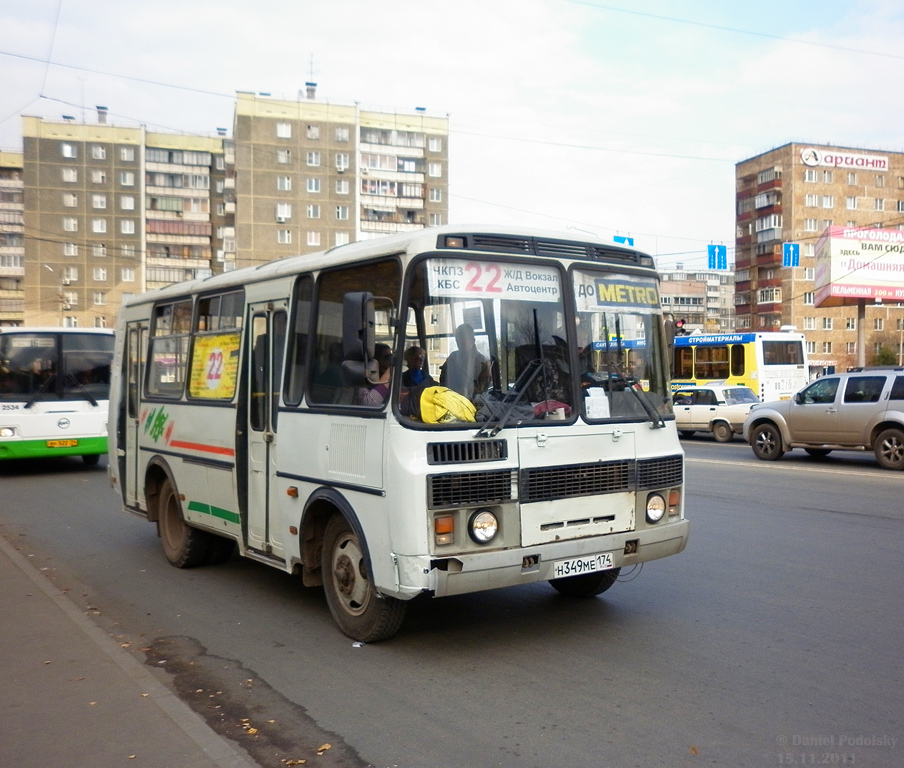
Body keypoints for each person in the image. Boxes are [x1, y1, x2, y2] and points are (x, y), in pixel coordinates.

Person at [440, 324, 490, 400]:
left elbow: (483, 388)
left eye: (462, 340)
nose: (458, 343)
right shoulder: (453, 357)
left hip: (474, 402)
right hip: (452, 400)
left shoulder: (481, 360)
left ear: (472, 340)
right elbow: (443, 380)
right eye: (457, 340)